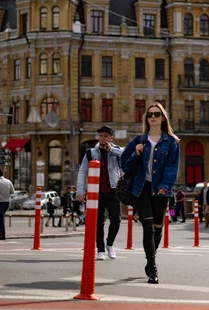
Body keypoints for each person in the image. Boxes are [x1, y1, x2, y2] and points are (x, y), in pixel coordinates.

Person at [121, 102, 180, 284]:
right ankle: (153, 268)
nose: (153, 117)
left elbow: (172, 167)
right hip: (142, 188)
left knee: (157, 229)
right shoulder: (138, 141)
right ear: (147, 119)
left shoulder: (171, 142)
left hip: (161, 189)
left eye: (156, 114)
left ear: (163, 118)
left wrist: (165, 185)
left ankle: (149, 258)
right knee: (147, 228)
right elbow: (124, 164)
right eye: (150, 114)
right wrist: (135, 154)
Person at [77, 126, 124, 260]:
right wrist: (80, 191)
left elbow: (127, 155)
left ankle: (110, 244)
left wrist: (112, 149)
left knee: (116, 220)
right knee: (99, 222)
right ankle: (101, 249)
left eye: (105, 136)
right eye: (101, 136)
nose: (103, 138)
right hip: (95, 193)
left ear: (111, 138)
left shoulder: (117, 151)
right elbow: (82, 172)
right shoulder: (91, 153)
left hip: (113, 191)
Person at [0, 169, 14, 240]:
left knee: (1, 218)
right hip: (7, 202)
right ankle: (1, 232)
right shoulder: (8, 181)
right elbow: (12, 191)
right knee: (2, 217)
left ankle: (3, 235)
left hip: (0, 202)